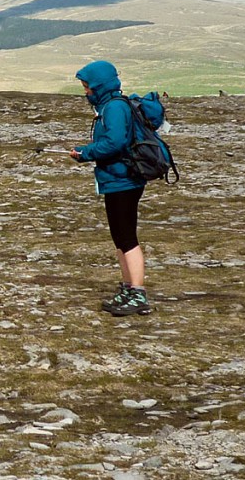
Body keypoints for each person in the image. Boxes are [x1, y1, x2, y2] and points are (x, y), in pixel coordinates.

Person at [70, 60, 151, 316]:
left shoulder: (115, 108)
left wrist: (86, 152)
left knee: (127, 238)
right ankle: (128, 287)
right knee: (120, 237)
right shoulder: (111, 106)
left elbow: (114, 143)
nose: (86, 92)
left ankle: (137, 293)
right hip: (117, 179)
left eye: (87, 87)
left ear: (99, 85)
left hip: (123, 180)